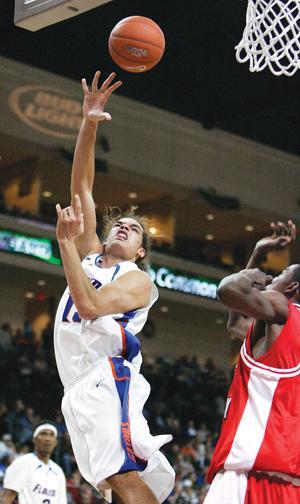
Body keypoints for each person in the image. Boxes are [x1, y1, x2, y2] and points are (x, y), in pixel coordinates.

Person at [54, 70, 175, 504]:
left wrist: (65, 244)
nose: (124, 227)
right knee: (114, 491)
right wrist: (90, 120)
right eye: (118, 224)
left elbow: (88, 306)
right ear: (104, 237)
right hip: (77, 387)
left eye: (134, 230)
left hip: (107, 378)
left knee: (124, 479)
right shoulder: (89, 256)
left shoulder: (137, 280)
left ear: (141, 251)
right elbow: (81, 186)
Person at [204, 221, 300, 503]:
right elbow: (237, 323)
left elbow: (227, 291)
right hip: (286, 478)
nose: (272, 278)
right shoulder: (281, 331)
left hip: (250, 473)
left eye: (280, 274)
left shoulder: (284, 307)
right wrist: (257, 252)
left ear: (292, 287)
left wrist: (254, 274)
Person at [1, 420, 67, 504]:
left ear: (55, 442)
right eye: (43, 434)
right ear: (34, 439)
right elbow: (7, 497)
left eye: (51, 435)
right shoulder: (23, 463)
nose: (47, 439)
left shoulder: (59, 472)